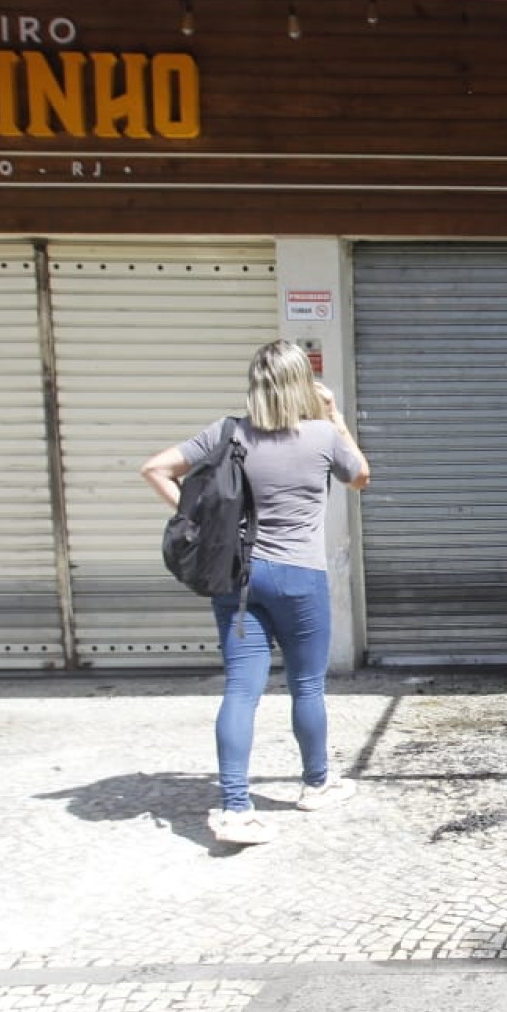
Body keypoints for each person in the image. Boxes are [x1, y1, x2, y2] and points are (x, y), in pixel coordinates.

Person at [140, 340, 371, 845]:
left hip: (238, 579)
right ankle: (316, 785)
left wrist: (196, 519)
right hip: (299, 578)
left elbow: (154, 468)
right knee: (307, 686)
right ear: (300, 385)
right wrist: (333, 414)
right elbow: (361, 476)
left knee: (241, 691)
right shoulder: (320, 437)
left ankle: (234, 809)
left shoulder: (227, 433)